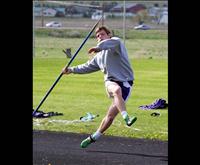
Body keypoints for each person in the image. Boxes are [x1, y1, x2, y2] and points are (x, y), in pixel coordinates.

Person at [62, 26, 137, 148]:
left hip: (127, 84)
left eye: (102, 34)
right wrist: (70, 70)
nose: (99, 37)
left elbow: (107, 44)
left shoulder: (116, 43)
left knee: (110, 116)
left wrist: (97, 48)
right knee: (116, 90)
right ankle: (126, 117)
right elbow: (86, 67)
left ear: (109, 34)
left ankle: (94, 137)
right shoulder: (98, 57)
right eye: (97, 36)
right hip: (111, 82)